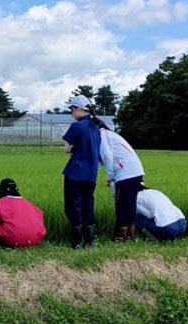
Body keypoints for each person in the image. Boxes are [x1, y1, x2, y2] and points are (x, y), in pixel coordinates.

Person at [62, 95, 103, 249]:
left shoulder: (76, 127)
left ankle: (76, 242)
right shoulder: (96, 128)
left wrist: (73, 149)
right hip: (91, 174)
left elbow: (66, 148)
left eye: (72, 109)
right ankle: (89, 242)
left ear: (79, 109)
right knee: (88, 205)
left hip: (75, 173)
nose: (72, 113)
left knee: (73, 206)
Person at [98, 123, 145, 242]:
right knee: (130, 205)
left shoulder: (102, 135)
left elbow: (107, 157)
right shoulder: (110, 134)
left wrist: (110, 177)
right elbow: (99, 160)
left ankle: (119, 239)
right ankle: (129, 237)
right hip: (137, 171)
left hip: (125, 173)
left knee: (122, 206)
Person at [0, 178, 46, 248]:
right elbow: (41, 215)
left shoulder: (0, 202)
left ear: (1, 191)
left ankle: (0, 242)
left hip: (13, 240)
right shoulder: (28, 203)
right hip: (36, 239)